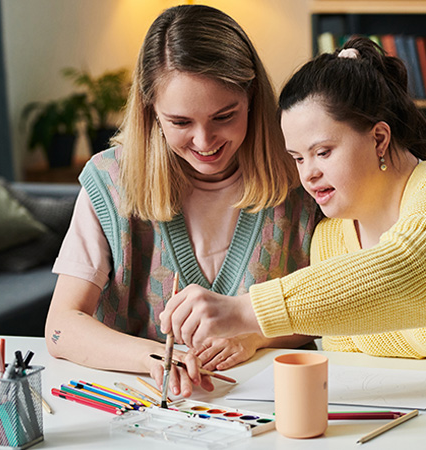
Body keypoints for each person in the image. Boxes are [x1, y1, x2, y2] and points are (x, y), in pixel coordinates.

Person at [161, 37, 426, 363]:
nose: (307, 173)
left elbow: (406, 270)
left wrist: (246, 311)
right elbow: (354, 364)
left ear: (379, 137)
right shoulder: (330, 240)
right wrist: (254, 338)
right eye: (297, 157)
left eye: (323, 152)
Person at [45, 4, 321, 397]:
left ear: (252, 97)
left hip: (273, 402)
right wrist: (153, 357)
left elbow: (337, 306)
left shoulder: (301, 173)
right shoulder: (110, 181)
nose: (205, 142)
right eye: (180, 123)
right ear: (151, 111)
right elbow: (61, 327)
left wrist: (256, 337)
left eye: (225, 116)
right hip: (143, 406)